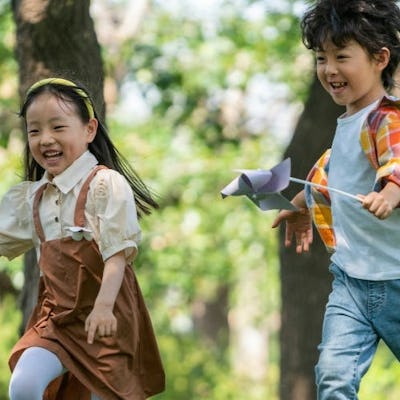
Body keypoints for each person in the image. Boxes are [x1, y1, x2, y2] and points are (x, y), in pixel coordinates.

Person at [1, 77, 165, 400]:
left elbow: (117, 255)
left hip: (107, 319)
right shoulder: (32, 198)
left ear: (89, 130)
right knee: (24, 384)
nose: (45, 139)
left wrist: (103, 308)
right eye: (34, 131)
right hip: (56, 321)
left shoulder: (106, 186)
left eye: (58, 127)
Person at [272, 0, 400, 398]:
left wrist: (392, 191)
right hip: (351, 283)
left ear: (380, 58)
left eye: (342, 56)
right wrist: (300, 207)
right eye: (321, 57)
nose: (329, 69)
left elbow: (397, 158)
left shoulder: (386, 119)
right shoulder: (346, 126)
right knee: (333, 376)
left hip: (396, 279)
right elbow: (328, 179)